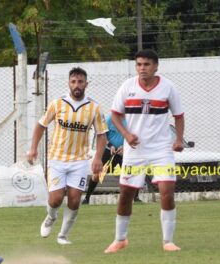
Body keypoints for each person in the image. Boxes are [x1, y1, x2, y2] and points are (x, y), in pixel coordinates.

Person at [104, 49, 185, 253]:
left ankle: (168, 241)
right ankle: (120, 239)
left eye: (146, 64)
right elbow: (114, 115)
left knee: (166, 191)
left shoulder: (168, 87)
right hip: (135, 150)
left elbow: (179, 115)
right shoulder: (127, 86)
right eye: (139, 64)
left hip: (161, 149)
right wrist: (126, 134)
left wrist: (178, 140)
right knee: (126, 194)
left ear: (156, 66)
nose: (142, 68)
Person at [27, 67, 108, 245]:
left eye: (80, 82)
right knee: (56, 199)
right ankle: (51, 217)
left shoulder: (94, 108)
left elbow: (102, 134)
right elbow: (41, 125)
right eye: (73, 81)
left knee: (74, 198)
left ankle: (63, 235)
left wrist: (98, 157)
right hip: (56, 158)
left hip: (80, 160)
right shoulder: (57, 104)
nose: (77, 85)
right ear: (68, 83)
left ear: (86, 84)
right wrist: (33, 149)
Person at [83, 112, 140, 205]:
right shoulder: (110, 119)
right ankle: (87, 198)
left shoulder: (131, 119)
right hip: (109, 151)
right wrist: (111, 146)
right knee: (97, 174)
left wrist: (125, 147)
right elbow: (103, 135)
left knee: (132, 173)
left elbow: (135, 136)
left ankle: (136, 198)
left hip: (125, 151)